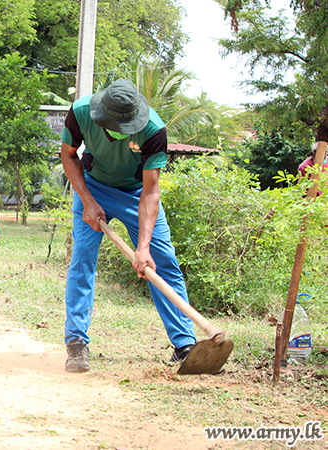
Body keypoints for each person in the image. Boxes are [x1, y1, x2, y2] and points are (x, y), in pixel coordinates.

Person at [59, 79, 197, 373]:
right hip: (92, 187)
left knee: (163, 261)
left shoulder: (153, 130)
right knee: (82, 260)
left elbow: (151, 191)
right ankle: (76, 343)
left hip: (137, 193)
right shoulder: (81, 112)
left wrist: (143, 247)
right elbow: (68, 156)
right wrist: (87, 200)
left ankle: (185, 345)